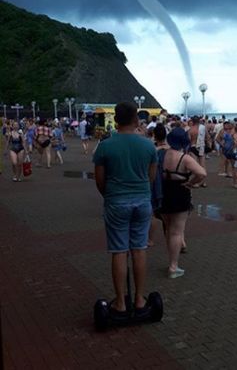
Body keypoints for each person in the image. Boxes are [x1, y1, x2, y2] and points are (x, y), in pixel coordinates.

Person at [93, 102, 158, 318]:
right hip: (142, 201)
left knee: (119, 251)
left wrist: (110, 195)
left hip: (116, 201)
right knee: (139, 249)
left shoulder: (105, 146)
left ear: (116, 120)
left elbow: (99, 180)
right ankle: (140, 299)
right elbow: (151, 177)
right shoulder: (149, 146)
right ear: (136, 120)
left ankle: (120, 302)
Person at [159, 127, 206, 278]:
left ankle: (171, 261)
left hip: (163, 191)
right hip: (180, 192)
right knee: (177, 231)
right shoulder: (184, 158)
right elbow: (202, 173)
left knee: (168, 228)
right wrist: (192, 183)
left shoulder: (161, 154)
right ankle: (173, 266)